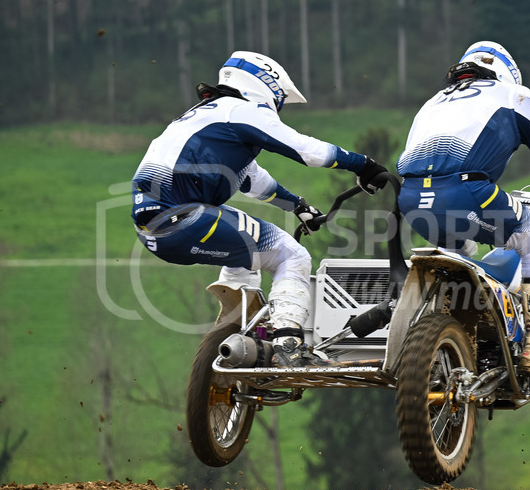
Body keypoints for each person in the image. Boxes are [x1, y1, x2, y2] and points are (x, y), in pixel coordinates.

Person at [131, 51, 388, 367]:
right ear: (265, 87)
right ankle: (289, 345)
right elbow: (306, 150)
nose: (277, 109)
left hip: (152, 230)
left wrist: (298, 206)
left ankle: (233, 330)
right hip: (188, 218)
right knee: (292, 256)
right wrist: (363, 164)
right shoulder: (241, 110)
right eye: (279, 100)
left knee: (245, 252)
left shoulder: (206, 118)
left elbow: (253, 180)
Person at [396, 41, 530, 380]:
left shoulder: (433, 102)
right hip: (467, 191)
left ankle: (465, 340)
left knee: (463, 258)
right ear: (507, 74)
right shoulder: (514, 96)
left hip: (411, 198)